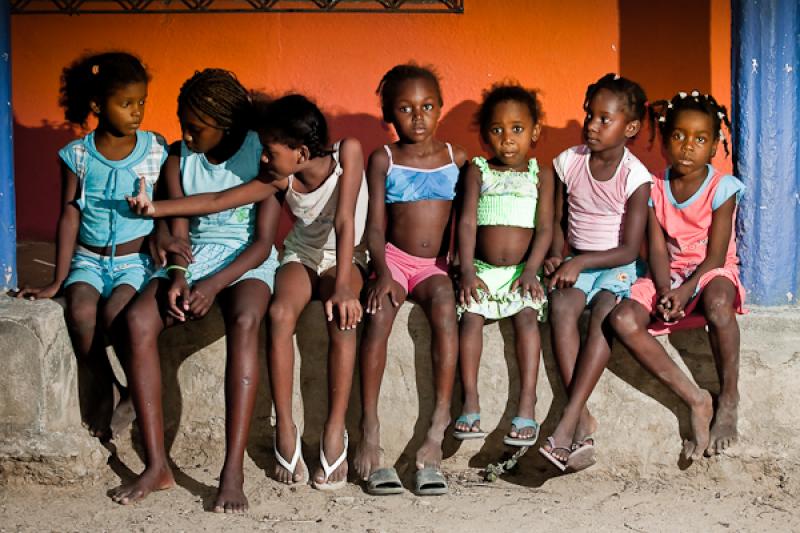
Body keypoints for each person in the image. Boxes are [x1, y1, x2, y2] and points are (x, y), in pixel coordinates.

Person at [127, 94, 368, 491]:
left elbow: (344, 220)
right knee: (278, 315)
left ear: (302, 151)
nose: (264, 160)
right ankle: (285, 427)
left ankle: (334, 427)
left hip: (346, 253)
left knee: (342, 319)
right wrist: (156, 210)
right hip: (303, 253)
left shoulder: (349, 153)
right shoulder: (280, 178)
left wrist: (343, 286)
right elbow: (219, 200)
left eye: (271, 152)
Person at [110, 70, 281, 510]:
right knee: (137, 319)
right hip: (196, 255)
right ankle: (156, 466)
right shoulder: (177, 156)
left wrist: (213, 284)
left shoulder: (262, 153)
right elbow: (180, 235)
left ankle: (232, 471)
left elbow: (263, 242)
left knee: (245, 319)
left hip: (245, 258)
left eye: (196, 126)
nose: (186, 133)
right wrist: (180, 277)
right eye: (183, 123)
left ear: (225, 121)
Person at [16, 52, 179, 441]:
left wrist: (161, 233)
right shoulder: (77, 155)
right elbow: (70, 213)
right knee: (81, 312)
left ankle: (131, 393)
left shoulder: (155, 150)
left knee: (116, 313)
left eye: (141, 102)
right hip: (88, 259)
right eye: (126, 104)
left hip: (134, 261)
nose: (137, 112)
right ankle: (108, 388)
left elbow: (167, 205)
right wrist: (57, 280)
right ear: (96, 106)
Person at [609, 91, 744, 460]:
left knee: (718, 305)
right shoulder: (654, 188)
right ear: (666, 139)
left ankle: (728, 397)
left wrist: (684, 293)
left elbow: (716, 256)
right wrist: (665, 290)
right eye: (680, 136)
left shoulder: (723, 189)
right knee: (622, 318)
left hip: (709, 273)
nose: (688, 147)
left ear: (715, 145)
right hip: (669, 273)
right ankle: (696, 398)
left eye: (700, 139)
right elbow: (655, 249)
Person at [351, 64, 467, 496]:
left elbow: (466, 221)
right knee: (378, 313)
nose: (418, 117)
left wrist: (462, 267)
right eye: (405, 108)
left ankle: (436, 431)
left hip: (436, 264)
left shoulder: (458, 159)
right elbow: (375, 227)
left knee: (444, 306)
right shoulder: (384, 157)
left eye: (428, 106)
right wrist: (381, 271)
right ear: (388, 114)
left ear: (440, 108)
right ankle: (370, 432)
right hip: (394, 259)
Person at [539, 74, 652, 471]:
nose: (592, 125)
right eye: (590, 115)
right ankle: (581, 417)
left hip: (615, 266)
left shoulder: (635, 177)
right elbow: (553, 220)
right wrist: (556, 255)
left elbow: (628, 248)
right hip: (579, 262)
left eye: (605, 119)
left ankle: (568, 421)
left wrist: (580, 262)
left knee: (604, 310)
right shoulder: (568, 163)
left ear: (631, 128)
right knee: (562, 307)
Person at [454, 83, 553, 448]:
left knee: (527, 319)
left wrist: (531, 271)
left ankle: (527, 403)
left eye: (517, 129)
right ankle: (470, 401)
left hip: (520, 273)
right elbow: (466, 223)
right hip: (481, 268)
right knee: (470, 320)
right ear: (484, 136)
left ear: (535, 132)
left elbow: (545, 228)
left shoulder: (540, 174)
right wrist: (467, 270)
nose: (507, 139)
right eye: (497, 130)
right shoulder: (478, 170)